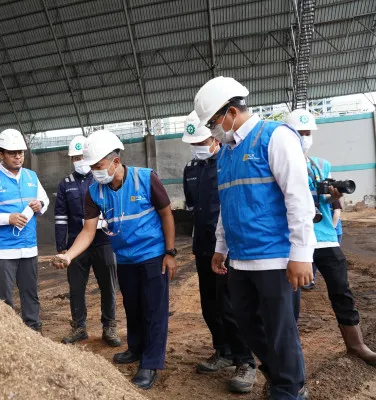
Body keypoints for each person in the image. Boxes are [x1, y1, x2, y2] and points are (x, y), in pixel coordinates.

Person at [195, 76, 316, 400]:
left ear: (231, 112)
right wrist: (221, 248)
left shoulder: (274, 137)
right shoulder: (226, 155)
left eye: (213, 122)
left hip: (275, 256)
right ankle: (279, 376)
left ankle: (290, 389)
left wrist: (302, 253)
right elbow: (227, 205)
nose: (212, 130)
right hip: (241, 258)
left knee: (280, 332)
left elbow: (298, 196)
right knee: (247, 325)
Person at [53, 129, 177, 390]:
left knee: (154, 310)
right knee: (133, 306)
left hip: (153, 256)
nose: (94, 172)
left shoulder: (145, 178)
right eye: (92, 167)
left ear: (115, 162)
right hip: (126, 259)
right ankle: (136, 348)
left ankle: (151, 363)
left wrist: (170, 252)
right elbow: (88, 230)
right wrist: (69, 255)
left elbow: (166, 214)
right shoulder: (95, 192)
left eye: (98, 166)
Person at [285, 109, 376, 366]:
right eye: (300, 132)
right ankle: (290, 352)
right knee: (288, 294)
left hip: (324, 235)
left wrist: (335, 196)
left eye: (308, 132)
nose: (305, 137)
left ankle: (356, 344)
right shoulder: (278, 163)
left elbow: (327, 201)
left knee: (341, 289)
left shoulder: (320, 164)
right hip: (293, 238)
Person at [182, 111, 256, 393]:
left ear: (213, 137)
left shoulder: (228, 162)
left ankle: (245, 361)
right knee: (209, 303)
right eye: (192, 143)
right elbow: (192, 208)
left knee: (231, 305)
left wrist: (224, 246)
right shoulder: (192, 169)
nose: (196, 147)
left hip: (226, 247)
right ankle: (223, 351)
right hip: (202, 246)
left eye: (200, 140)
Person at [0, 128, 49, 332]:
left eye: (21, 152)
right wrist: (8, 218)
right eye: (12, 153)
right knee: (3, 297)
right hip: (3, 250)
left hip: (28, 247)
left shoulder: (31, 176)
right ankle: (7, 333)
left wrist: (40, 204)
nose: (18, 157)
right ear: (1, 154)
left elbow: (45, 200)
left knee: (30, 293)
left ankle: (33, 329)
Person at [54, 135, 121, 347]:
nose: (80, 160)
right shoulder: (65, 185)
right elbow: (60, 218)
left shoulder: (102, 179)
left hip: (103, 242)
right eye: (75, 157)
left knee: (108, 286)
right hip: (77, 243)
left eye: (83, 156)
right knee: (76, 287)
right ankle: (79, 327)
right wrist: (62, 248)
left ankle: (109, 326)